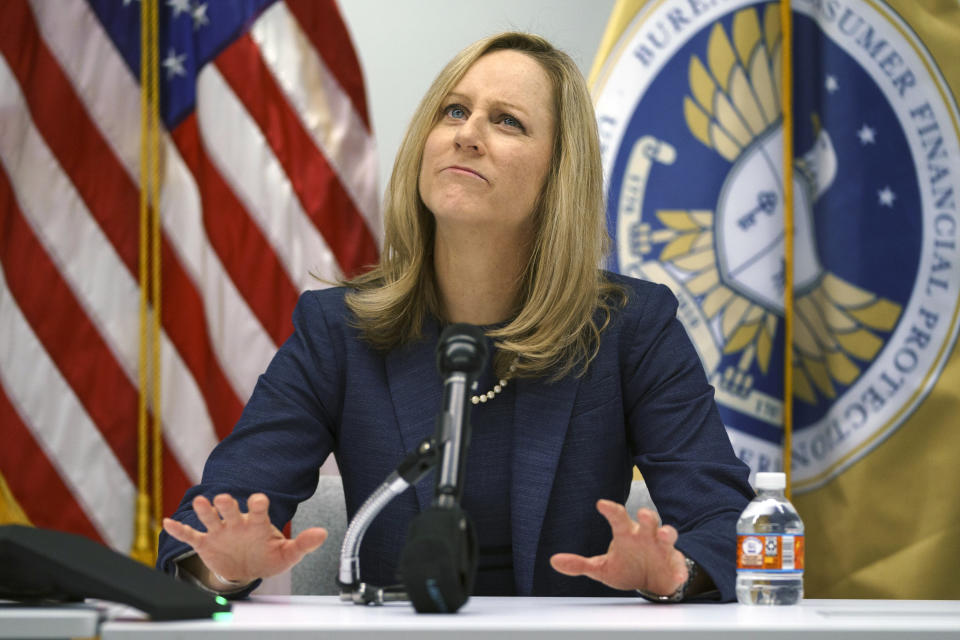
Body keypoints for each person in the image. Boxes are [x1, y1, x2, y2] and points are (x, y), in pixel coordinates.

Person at [158, 31, 753, 602]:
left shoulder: (631, 329)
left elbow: (724, 523)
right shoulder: (337, 330)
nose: (468, 135)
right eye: (453, 112)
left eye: (507, 121)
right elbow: (209, 521)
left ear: (558, 177)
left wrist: (675, 573)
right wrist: (220, 567)